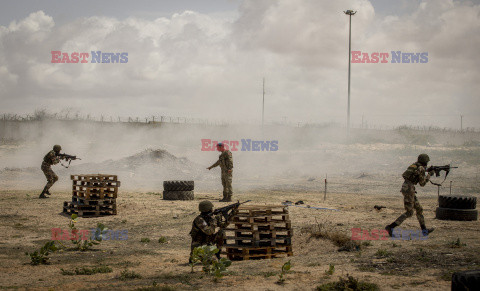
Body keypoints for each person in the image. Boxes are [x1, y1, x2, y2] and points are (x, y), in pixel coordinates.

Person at [385, 154, 435, 237]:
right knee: (409, 212)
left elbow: (416, 173)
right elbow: (422, 183)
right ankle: (390, 227)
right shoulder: (421, 168)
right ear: (425, 161)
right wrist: (429, 175)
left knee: (419, 209)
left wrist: (426, 171)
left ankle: (424, 230)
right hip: (409, 189)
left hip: (407, 188)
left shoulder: (415, 165)